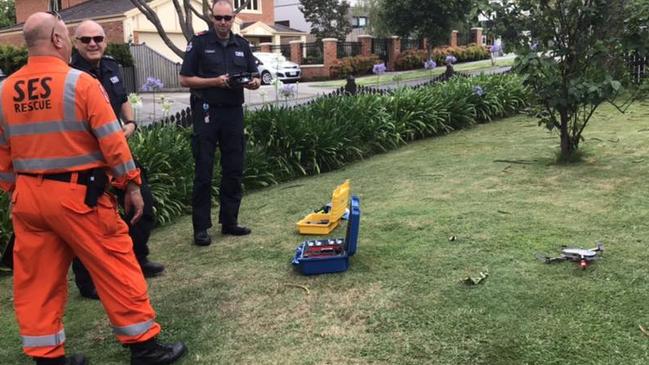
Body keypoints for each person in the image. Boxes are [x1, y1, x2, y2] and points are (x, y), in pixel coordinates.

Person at [0, 12, 186, 365]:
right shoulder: (80, 83)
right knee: (116, 266)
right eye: (69, 37)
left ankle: (48, 358)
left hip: (28, 197)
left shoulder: (5, 90)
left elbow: (2, 152)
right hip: (78, 196)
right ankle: (144, 348)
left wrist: (15, 194)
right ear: (57, 39)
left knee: (36, 281)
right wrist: (130, 185)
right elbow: (112, 141)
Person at [70, 20, 164, 300]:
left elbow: (122, 98)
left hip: (118, 149)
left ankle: (138, 257)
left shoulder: (110, 66)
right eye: (85, 39)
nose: (92, 44)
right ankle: (87, 282)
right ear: (76, 43)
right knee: (88, 221)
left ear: (105, 41)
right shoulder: (70, 74)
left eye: (97, 38)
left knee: (142, 202)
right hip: (88, 158)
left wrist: (131, 122)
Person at [179, 0, 261, 246]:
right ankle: (201, 228)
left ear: (233, 18)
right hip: (206, 111)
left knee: (234, 168)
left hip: (233, 112)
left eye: (227, 18)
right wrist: (215, 81)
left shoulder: (242, 45)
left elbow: (254, 75)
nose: (223, 22)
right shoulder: (200, 43)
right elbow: (185, 79)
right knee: (204, 171)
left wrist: (254, 82)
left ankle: (230, 222)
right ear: (211, 18)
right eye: (219, 18)